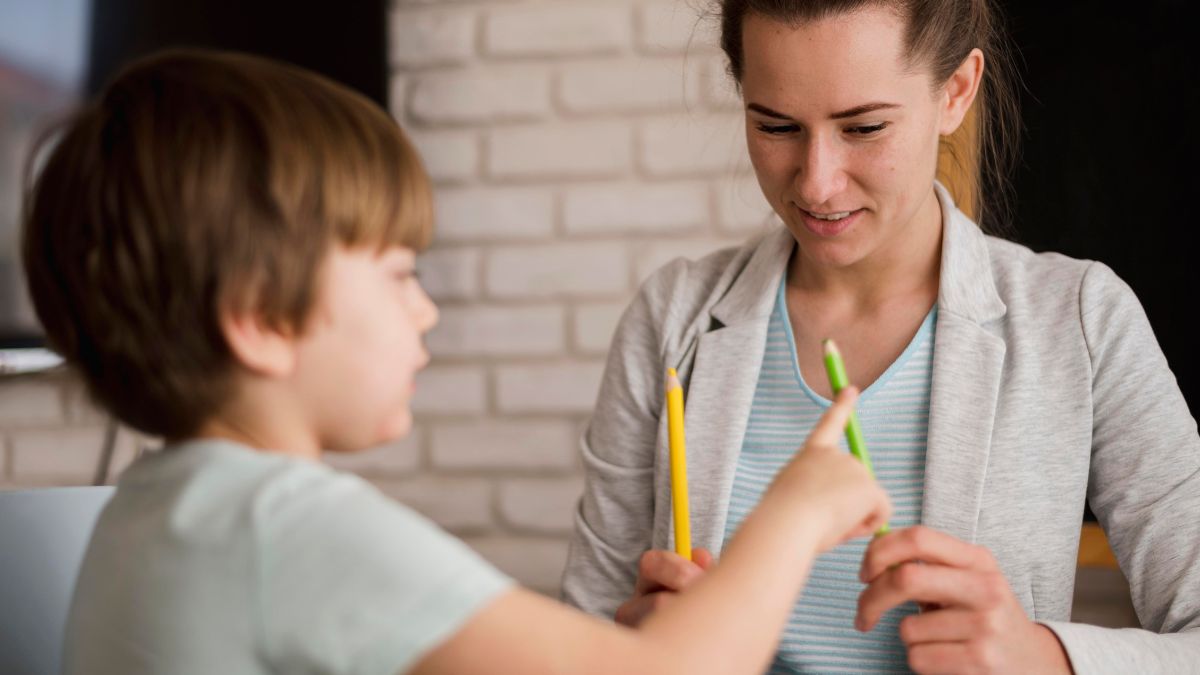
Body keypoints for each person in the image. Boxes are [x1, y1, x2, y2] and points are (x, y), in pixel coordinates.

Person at [22, 48, 891, 675]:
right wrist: (794, 513)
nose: (425, 307)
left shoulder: (151, 509)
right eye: (399, 273)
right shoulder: (285, 527)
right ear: (258, 316)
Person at [561, 1, 1200, 673]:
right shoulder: (673, 319)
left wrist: (1047, 659)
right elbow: (574, 641)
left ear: (955, 91)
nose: (817, 181)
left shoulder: (1081, 320)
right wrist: (628, 653)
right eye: (775, 125)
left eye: (864, 127)